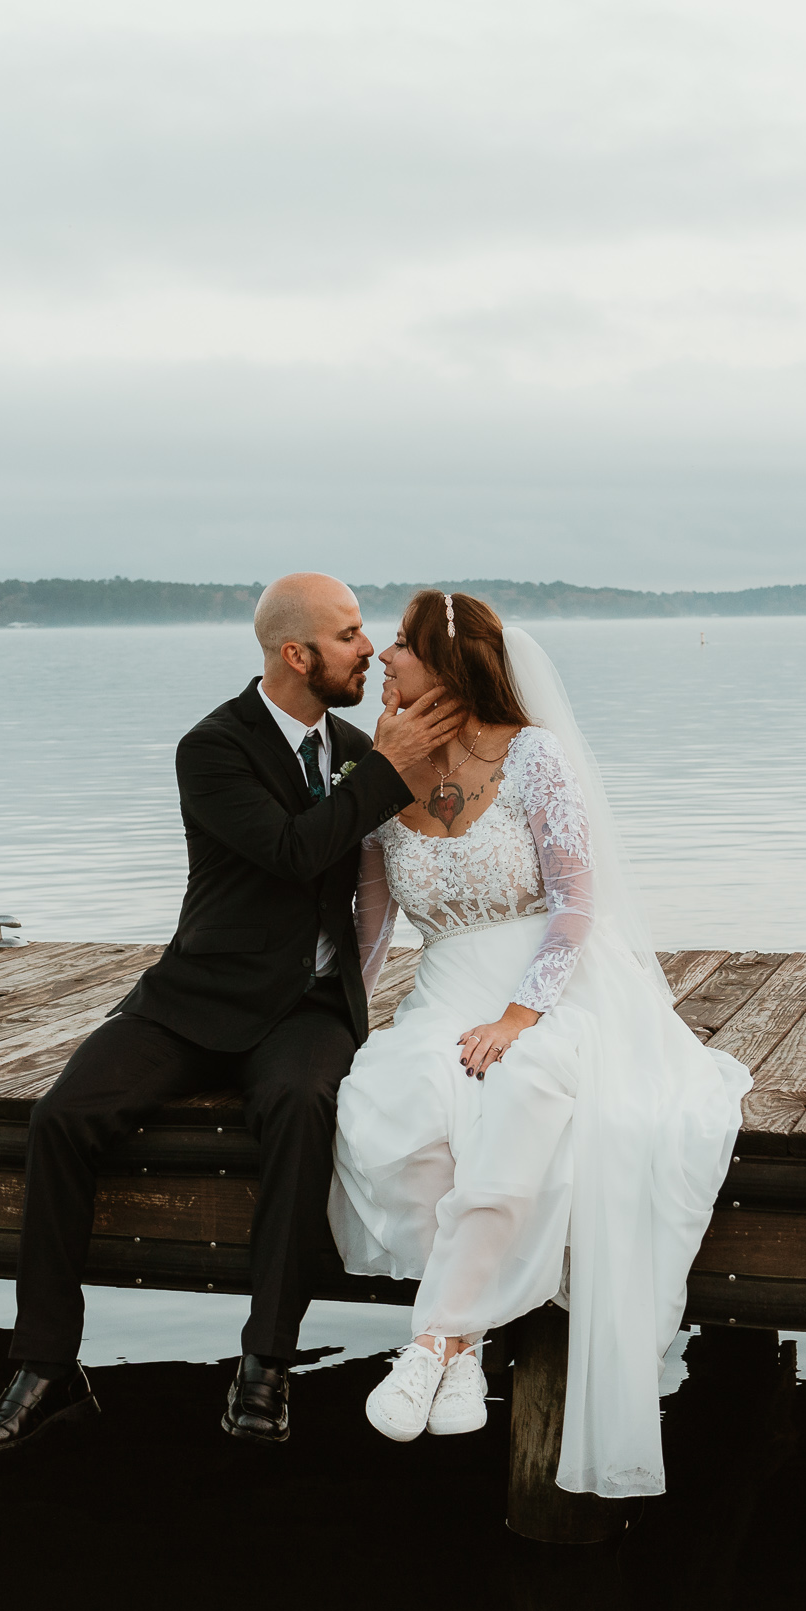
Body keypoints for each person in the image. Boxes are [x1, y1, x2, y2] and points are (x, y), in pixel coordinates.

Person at [0, 572, 466, 1456]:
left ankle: (266, 1363)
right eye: (348, 635)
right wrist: (386, 771)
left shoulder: (355, 747)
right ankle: (45, 1368)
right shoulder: (213, 748)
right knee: (61, 1119)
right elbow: (291, 850)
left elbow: (382, 879)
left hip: (305, 1008)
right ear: (294, 654)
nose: (369, 647)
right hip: (196, 995)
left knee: (301, 1111)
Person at [327, 591, 750, 1497]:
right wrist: (340, 1019)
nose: (383, 660)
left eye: (400, 646)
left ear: (447, 663)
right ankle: (471, 1338)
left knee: (523, 1094)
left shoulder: (534, 757)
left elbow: (575, 907)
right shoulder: (382, 766)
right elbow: (371, 922)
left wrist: (522, 1016)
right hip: (443, 993)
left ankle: (435, 1338)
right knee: (383, 1110)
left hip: (552, 987)